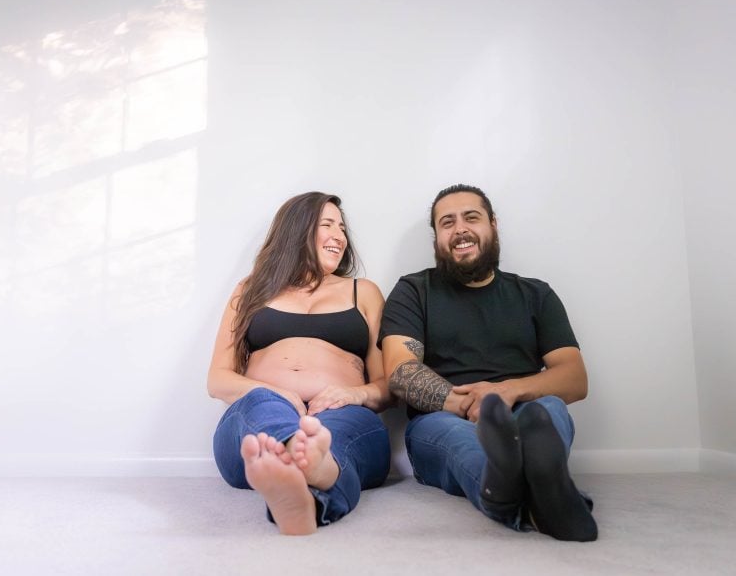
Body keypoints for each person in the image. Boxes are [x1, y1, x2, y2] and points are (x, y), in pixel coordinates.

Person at [379, 184, 598, 542]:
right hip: (440, 419)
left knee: (550, 409)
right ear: (437, 238)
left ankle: (525, 496)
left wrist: (505, 392)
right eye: (447, 222)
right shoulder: (414, 290)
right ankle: (546, 497)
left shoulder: (535, 294)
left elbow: (574, 378)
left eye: (471, 217)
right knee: (461, 440)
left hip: (524, 409)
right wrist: (473, 404)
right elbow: (401, 373)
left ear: (493, 225)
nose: (460, 229)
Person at [208, 192, 391, 535]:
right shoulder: (250, 290)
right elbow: (217, 379)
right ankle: (298, 454)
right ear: (297, 230)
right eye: (327, 225)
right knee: (262, 404)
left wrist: (353, 395)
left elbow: (387, 387)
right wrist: (275, 393)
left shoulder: (363, 292)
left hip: (341, 413)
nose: (340, 236)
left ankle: (304, 481)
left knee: (332, 438)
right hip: (259, 417)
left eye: (342, 227)